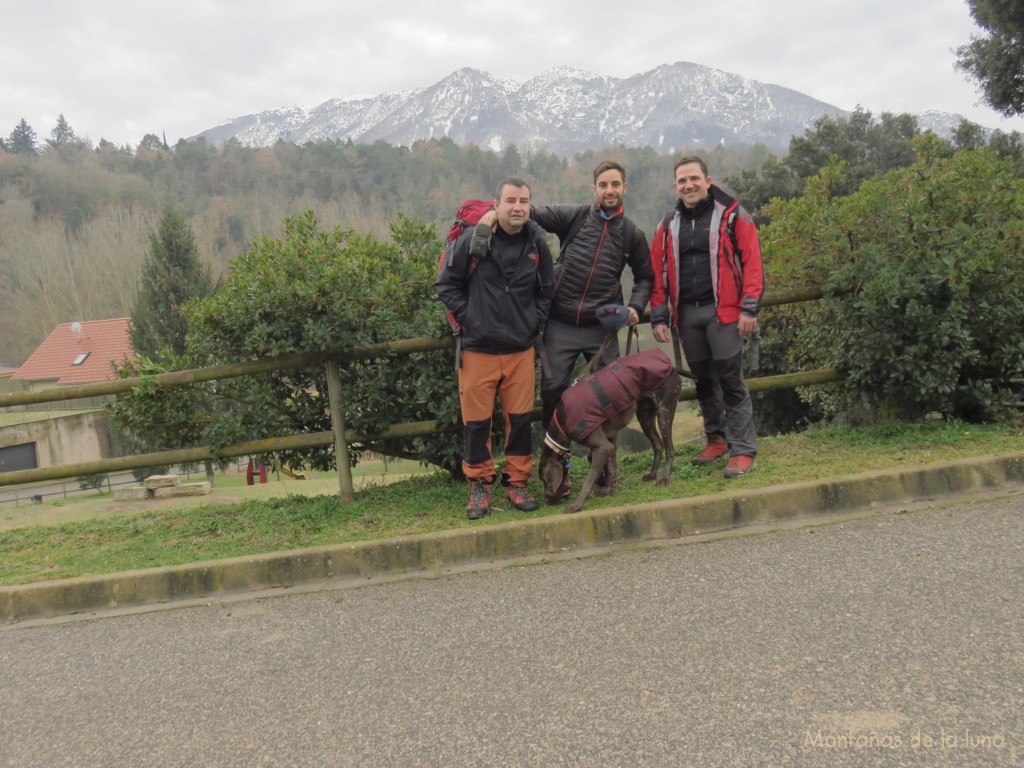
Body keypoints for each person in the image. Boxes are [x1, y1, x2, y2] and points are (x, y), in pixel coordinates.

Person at [482, 160, 652, 495]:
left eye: (615, 184)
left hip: (601, 328)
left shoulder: (632, 233)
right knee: (554, 394)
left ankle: (602, 467)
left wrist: (635, 306)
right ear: (594, 190)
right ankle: (556, 471)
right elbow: (530, 211)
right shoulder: (574, 216)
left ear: (624, 188)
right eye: (603, 185)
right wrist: (491, 217)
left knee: (611, 397)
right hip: (560, 322)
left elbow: (645, 276)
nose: (609, 190)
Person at [435, 177, 554, 519]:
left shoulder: (536, 243)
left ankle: (517, 482)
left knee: (519, 421)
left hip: (520, 350)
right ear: (497, 204)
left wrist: (534, 321)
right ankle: (479, 486)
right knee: (476, 424)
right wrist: (471, 318)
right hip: (477, 350)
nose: (518, 207)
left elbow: (547, 289)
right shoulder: (475, 240)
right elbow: (446, 284)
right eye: (511, 200)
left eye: (524, 201)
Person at [650, 156, 764, 478]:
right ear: (675, 186)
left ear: (708, 180)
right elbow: (657, 274)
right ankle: (716, 439)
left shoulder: (732, 216)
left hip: (724, 313)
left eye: (694, 179)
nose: (689, 185)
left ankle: (743, 450)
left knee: (730, 380)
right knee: (703, 382)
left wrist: (749, 307)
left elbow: (753, 261)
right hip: (687, 314)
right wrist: (659, 316)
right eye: (682, 181)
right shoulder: (667, 224)